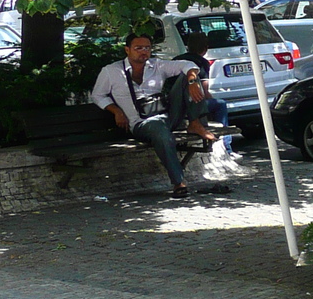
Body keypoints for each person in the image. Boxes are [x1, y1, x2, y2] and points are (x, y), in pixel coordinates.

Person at [90, 33, 212, 198]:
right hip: (141, 123)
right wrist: (116, 111)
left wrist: (191, 80)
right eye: (138, 48)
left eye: (147, 48)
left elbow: (188, 64)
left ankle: (195, 122)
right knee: (161, 131)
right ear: (127, 50)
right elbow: (98, 95)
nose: (143, 52)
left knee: (188, 75)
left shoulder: (157, 65)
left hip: (167, 115)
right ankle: (178, 182)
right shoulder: (111, 71)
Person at [176, 32, 232, 153]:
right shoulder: (201, 62)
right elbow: (204, 92)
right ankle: (227, 147)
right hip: (189, 105)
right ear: (205, 48)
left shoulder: (177, 59)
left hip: (174, 103)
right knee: (220, 104)